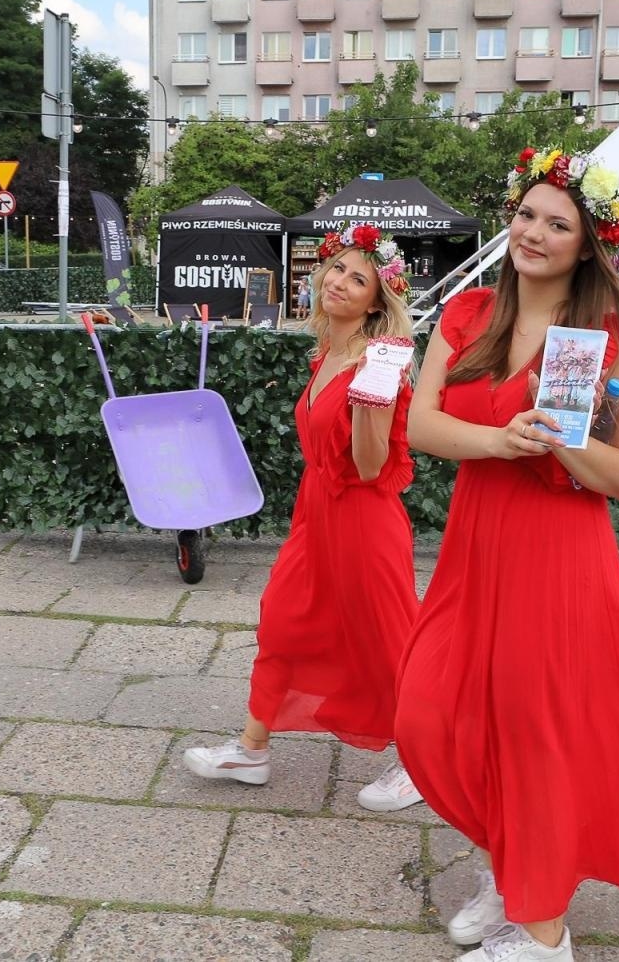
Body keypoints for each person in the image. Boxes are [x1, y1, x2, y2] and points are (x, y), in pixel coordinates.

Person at [397, 147, 619, 961]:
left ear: (588, 246)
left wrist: (563, 440)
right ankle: (515, 867)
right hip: (475, 544)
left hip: (557, 553)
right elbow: (421, 425)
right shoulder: (470, 313)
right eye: (527, 216)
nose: (534, 233)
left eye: (558, 225)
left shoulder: (603, 339)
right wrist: (500, 438)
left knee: (533, 733)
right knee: (429, 712)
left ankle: (544, 931)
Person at [183, 222, 425, 814]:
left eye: (359, 279)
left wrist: (371, 402)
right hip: (316, 514)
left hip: (364, 522)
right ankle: (251, 749)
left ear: (377, 302)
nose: (340, 281)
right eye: (338, 268)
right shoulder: (328, 354)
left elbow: (370, 467)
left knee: (389, 641)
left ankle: (425, 762)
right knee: (283, 620)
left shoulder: (377, 362)